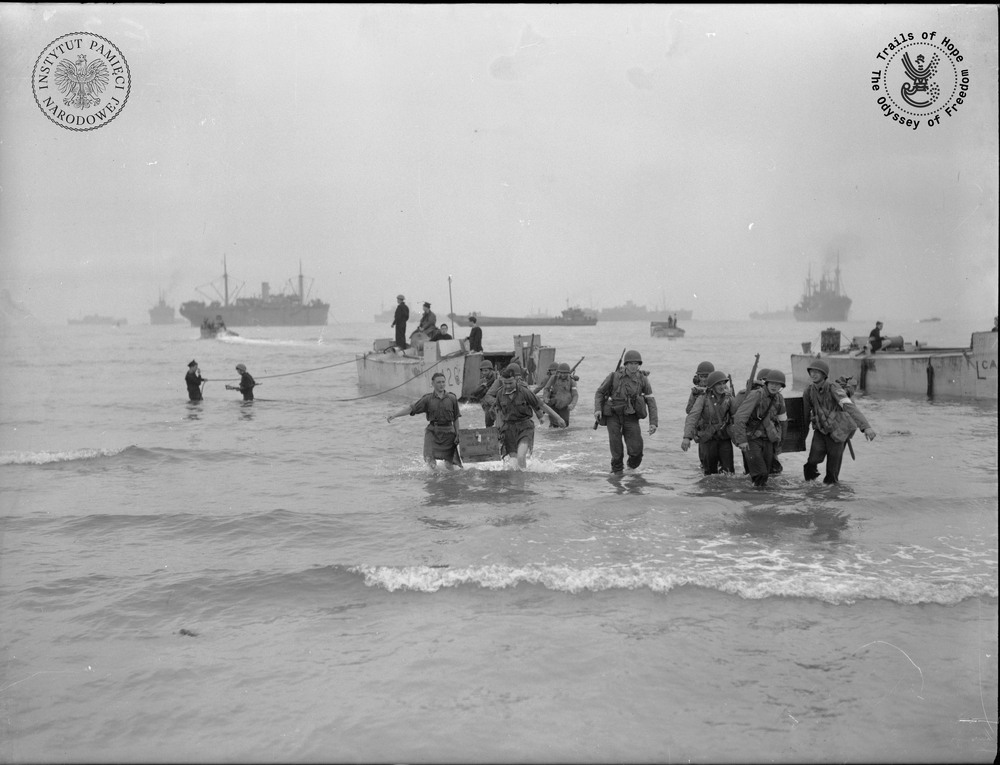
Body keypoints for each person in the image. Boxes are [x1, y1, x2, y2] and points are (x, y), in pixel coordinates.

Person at [802, 359, 876, 484]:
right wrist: (801, 437)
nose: (813, 374)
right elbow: (805, 415)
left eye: (817, 372)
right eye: (812, 372)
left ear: (824, 374)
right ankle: (811, 493)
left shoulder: (834, 389)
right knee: (812, 462)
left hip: (838, 433)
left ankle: (832, 498)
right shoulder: (809, 391)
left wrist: (866, 427)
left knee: (832, 472)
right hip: (821, 431)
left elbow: (850, 407)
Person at [485, 363, 565, 469]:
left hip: (525, 427)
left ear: (517, 380)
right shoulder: (500, 393)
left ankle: (522, 482)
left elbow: (541, 404)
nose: (508, 386)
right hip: (508, 429)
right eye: (505, 383)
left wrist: (558, 418)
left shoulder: (524, 391)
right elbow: (499, 412)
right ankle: (515, 484)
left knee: (521, 456)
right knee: (512, 462)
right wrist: (498, 430)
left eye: (510, 383)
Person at [594, 350, 658, 474]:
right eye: (631, 363)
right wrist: (597, 410)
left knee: (637, 450)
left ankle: (631, 469)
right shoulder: (614, 376)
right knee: (616, 449)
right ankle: (617, 476)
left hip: (631, 416)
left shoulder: (643, 379)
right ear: (626, 364)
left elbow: (651, 401)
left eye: (636, 364)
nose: (634, 366)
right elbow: (600, 393)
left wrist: (653, 422)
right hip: (613, 415)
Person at [386, 371, 462, 469]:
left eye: (443, 382)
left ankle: (448, 483)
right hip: (433, 432)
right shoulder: (427, 399)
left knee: (449, 464)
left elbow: (456, 418)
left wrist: (458, 434)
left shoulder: (452, 398)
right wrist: (395, 415)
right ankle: (433, 481)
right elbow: (411, 409)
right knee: (430, 459)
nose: (441, 384)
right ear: (433, 384)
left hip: (449, 433)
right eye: (438, 382)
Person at [732, 369, 788, 487]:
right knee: (760, 474)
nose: (774, 386)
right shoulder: (756, 394)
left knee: (766, 474)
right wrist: (742, 441)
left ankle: (760, 499)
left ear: (781, 386)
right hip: (752, 439)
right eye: (772, 383)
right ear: (766, 383)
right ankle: (756, 501)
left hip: (768, 440)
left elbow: (783, 421)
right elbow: (739, 417)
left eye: (777, 384)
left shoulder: (779, 398)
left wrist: (779, 443)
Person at [681, 370, 736, 474]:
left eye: (724, 383)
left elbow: (737, 416)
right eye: (719, 384)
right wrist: (687, 437)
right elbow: (692, 416)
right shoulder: (703, 398)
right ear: (712, 386)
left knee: (729, 472)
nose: (722, 386)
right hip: (708, 438)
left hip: (724, 437)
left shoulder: (729, 398)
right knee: (710, 474)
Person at [542, 362, 579, 427]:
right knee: (553, 425)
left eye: (565, 373)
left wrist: (572, 404)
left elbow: (575, 395)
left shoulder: (571, 381)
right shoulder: (553, 378)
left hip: (565, 407)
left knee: (565, 425)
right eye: (561, 372)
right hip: (553, 404)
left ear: (568, 373)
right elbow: (546, 389)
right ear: (558, 372)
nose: (563, 375)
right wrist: (545, 398)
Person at [468, 360, 499, 427]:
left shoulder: (497, 378)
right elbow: (474, 393)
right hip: (487, 404)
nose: (484, 372)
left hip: (496, 402)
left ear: (491, 370)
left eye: (486, 370)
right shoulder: (483, 381)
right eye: (482, 371)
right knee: (488, 422)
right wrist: (483, 387)